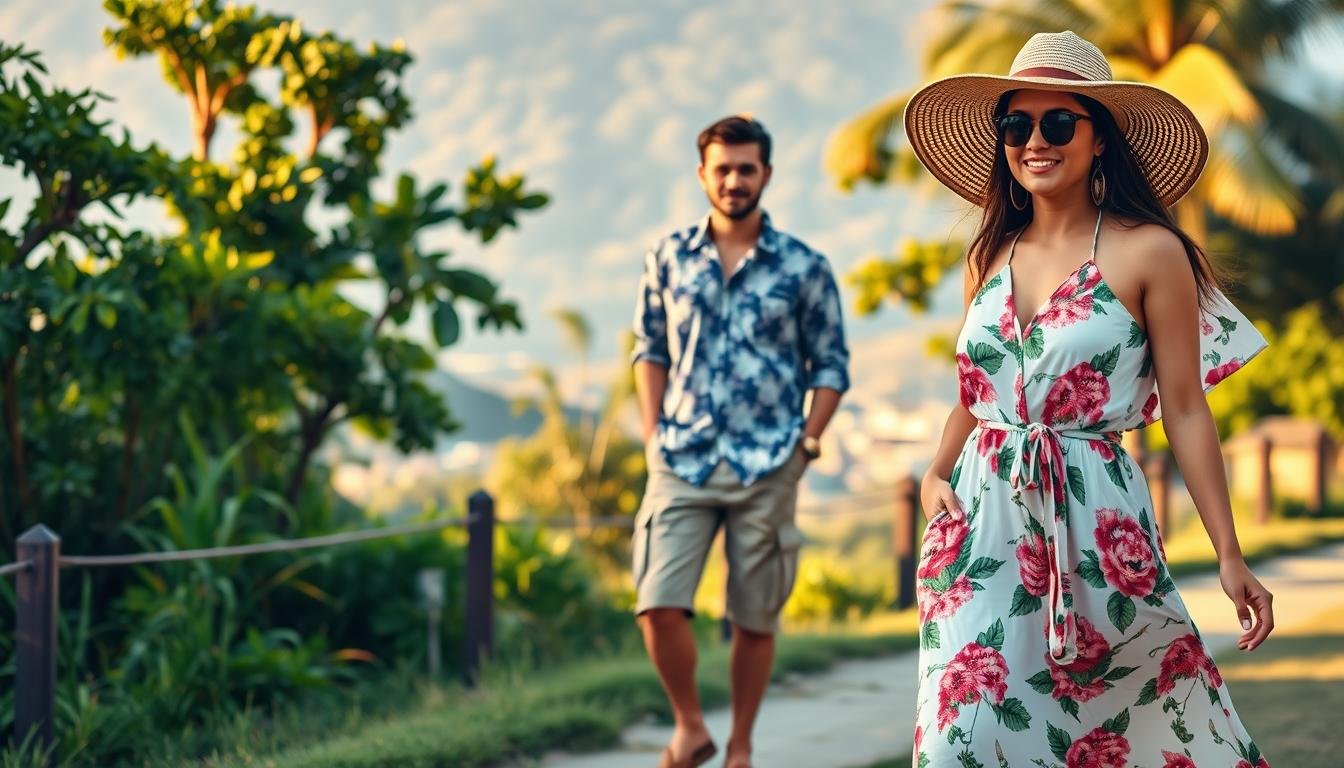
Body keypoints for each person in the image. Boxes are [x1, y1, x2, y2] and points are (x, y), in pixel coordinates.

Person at [903, 31, 1275, 767]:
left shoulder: (1150, 252)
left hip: (1094, 521)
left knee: (1124, 727)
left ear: (1099, 139)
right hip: (978, 524)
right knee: (960, 743)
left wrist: (1228, 552)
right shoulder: (990, 254)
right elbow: (975, 395)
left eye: (1057, 124)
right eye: (1017, 125)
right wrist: (934, 471)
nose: (1034, 141)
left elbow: (1188, 410)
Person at [629, 115, 850, 768]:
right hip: (681, 457)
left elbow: (831, 365)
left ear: (767, 175)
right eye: (721, 169)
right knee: (657, 603)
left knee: (755, 618)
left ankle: (742, 748)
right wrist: (650, 437)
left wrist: (806, 445)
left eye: (745, 168)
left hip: (768, 462)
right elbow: (650, 349)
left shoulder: (805, 267)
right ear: (703, 175)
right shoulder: (667, 258)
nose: (733, 180)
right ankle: (690, 726)